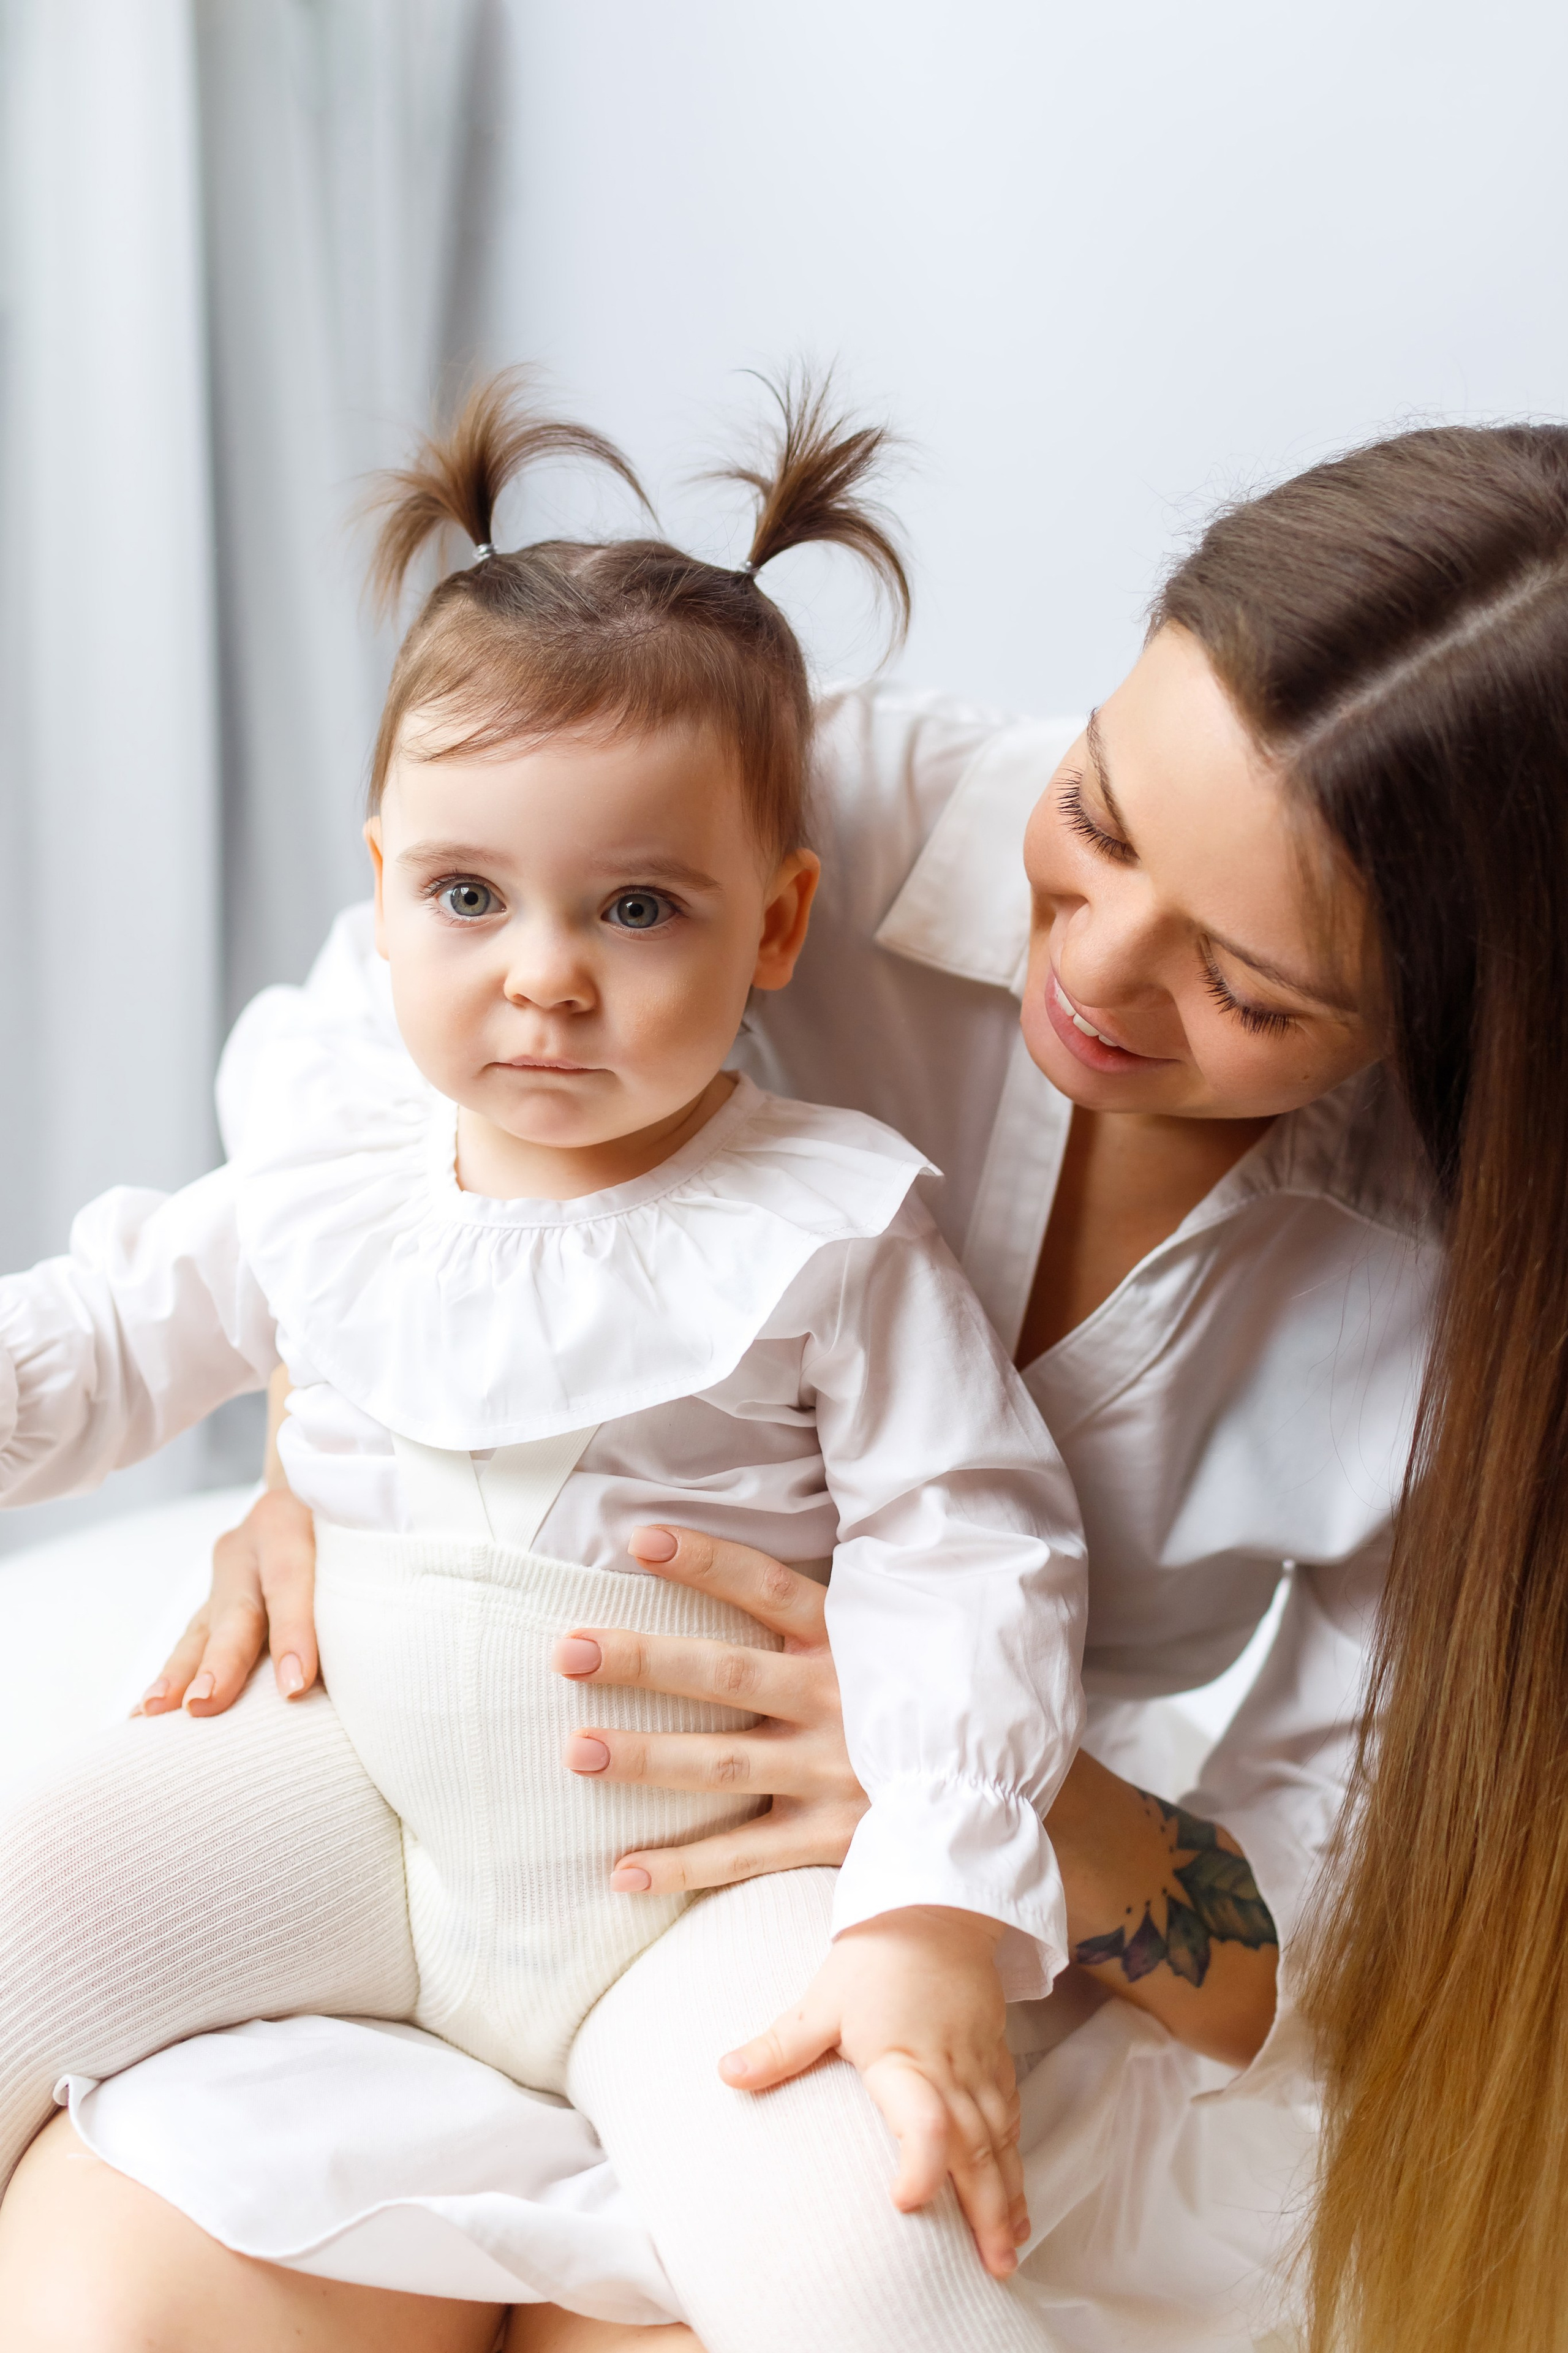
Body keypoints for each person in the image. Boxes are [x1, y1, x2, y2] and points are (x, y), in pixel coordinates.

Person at [4, 417, 1549, 2353]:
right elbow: (350, 1070)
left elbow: (1324, 1948)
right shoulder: (816, 785)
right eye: (1102, 811)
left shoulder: (1418, 1291)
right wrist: (363, 1417)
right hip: (395, 1789)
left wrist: (973, 1824)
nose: (1102, 960)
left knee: (851, 2266)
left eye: (1251, 986)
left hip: (855, 1924)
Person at [0, 370, 1099, 2318]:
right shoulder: (330, 1179)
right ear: (383, 888)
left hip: (702, 1882)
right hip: (362, 1803)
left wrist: (933, 1893)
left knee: (882, 2243)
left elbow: (971, 1544)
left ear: (777, 928)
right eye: (468, 895)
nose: (543, 972)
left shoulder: (834, 1220)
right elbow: (101, 1339)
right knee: (35, 1895)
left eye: (639, 907)